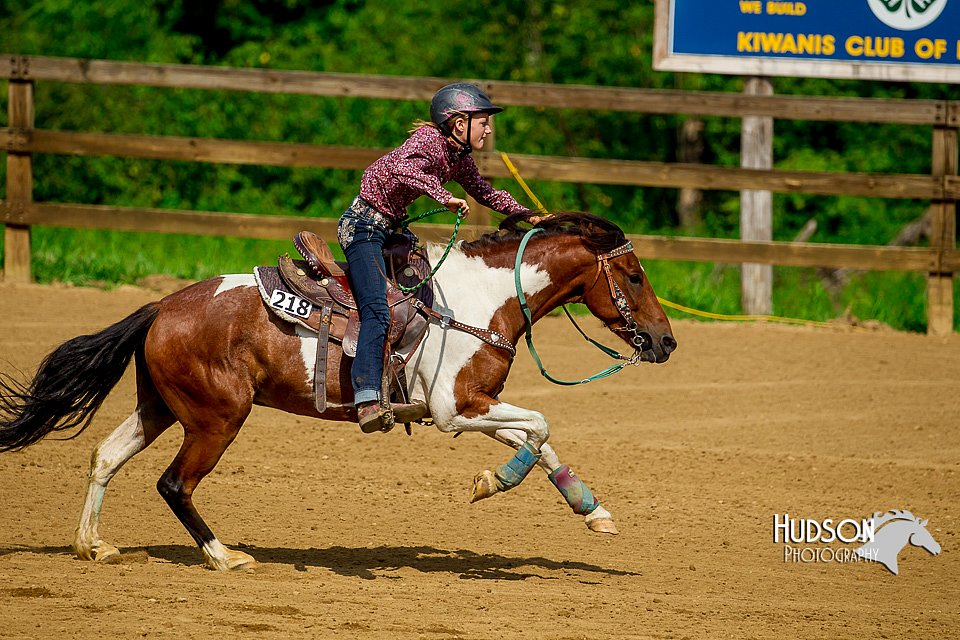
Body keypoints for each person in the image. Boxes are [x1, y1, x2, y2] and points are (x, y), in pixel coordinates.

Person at [338, 82, 530, 433]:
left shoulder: (459, 158)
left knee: (419, 304)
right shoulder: (427, 142)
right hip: (363, 229)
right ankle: (366, 396)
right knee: (378, 309)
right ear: (460, 124)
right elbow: (403, 170)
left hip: (391, 232)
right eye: (483, 121)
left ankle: (406, 383)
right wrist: (444, 196)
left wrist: (527, 216)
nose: (488, 129)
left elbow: (486, 192)